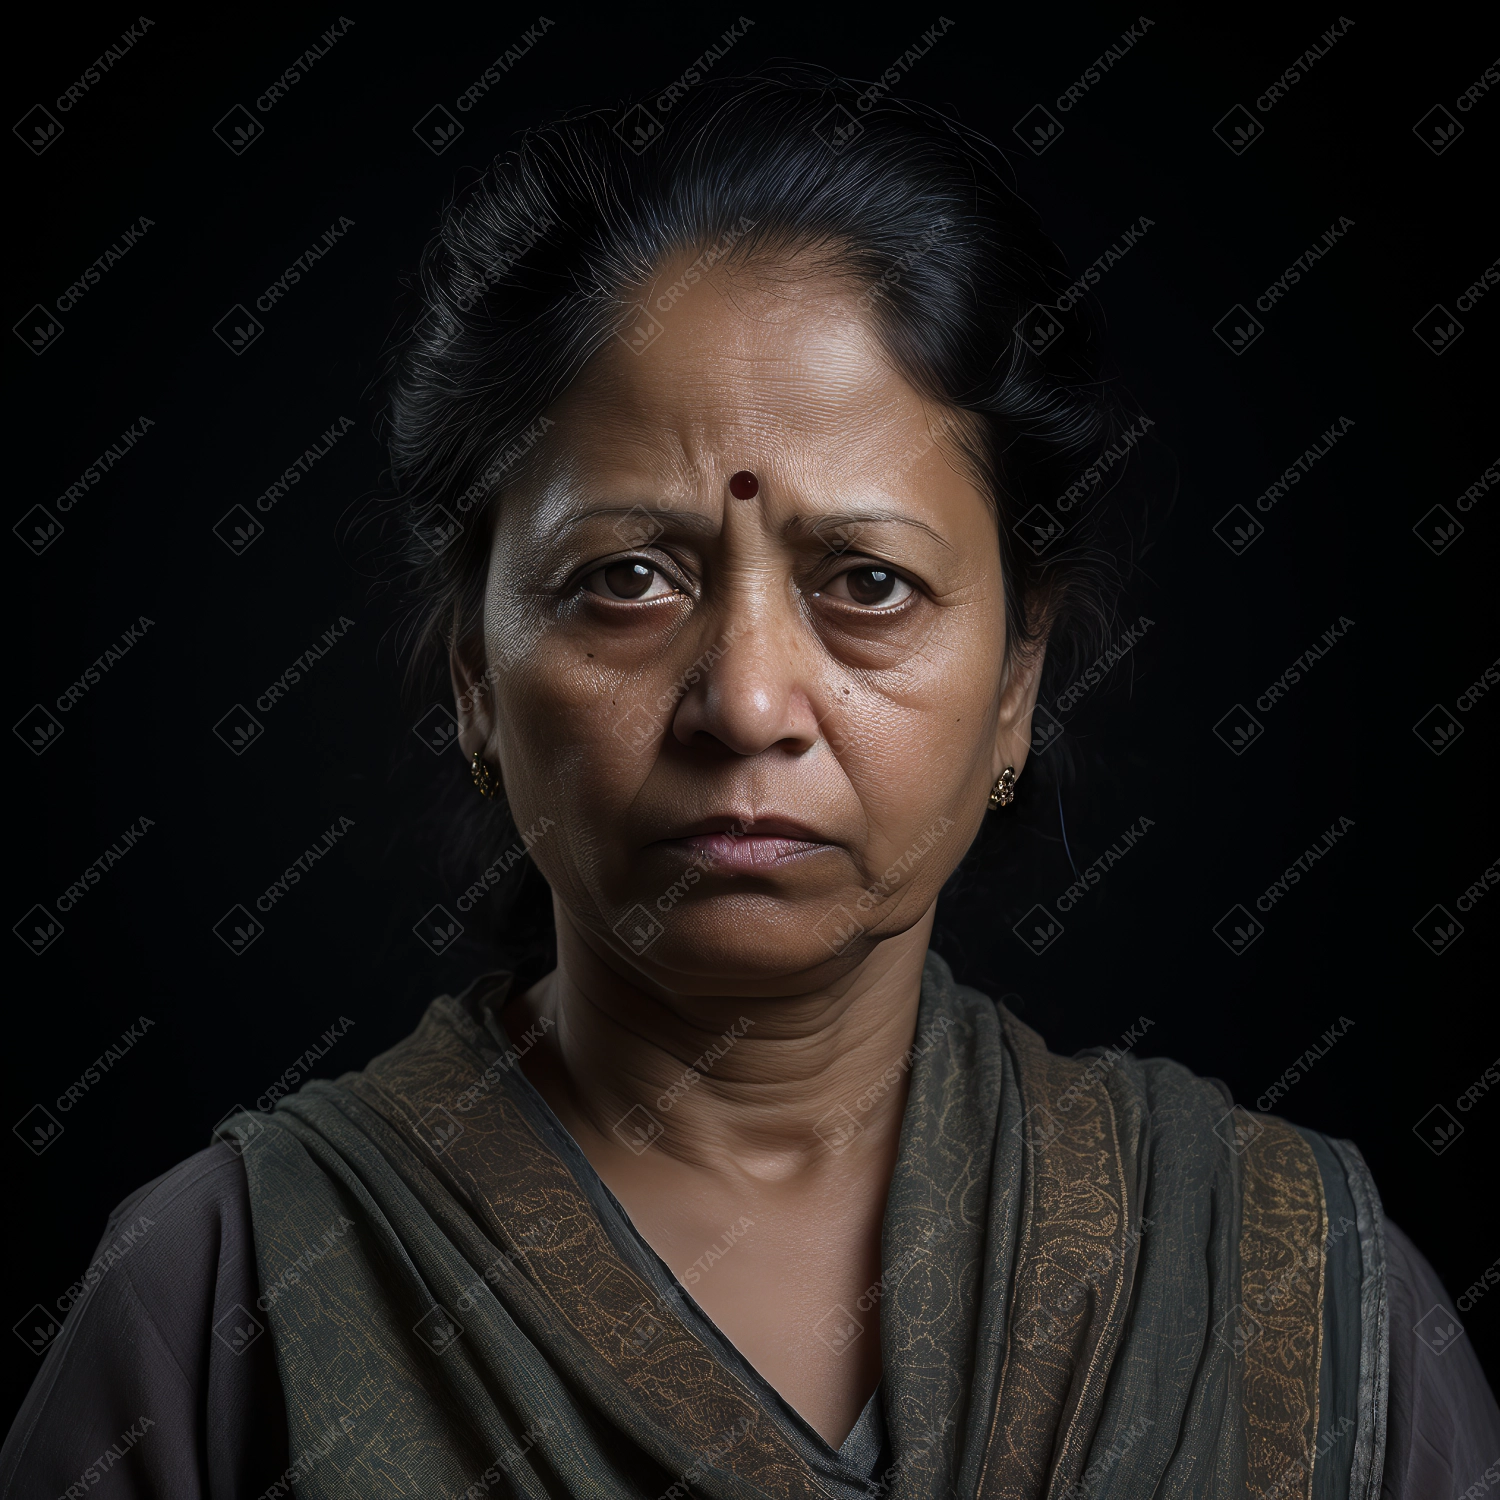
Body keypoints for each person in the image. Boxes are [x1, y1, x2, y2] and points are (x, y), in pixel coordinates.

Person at [4, 68, 1495, 1500]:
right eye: (628, 579)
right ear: (474, 671)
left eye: (869, 583)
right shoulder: (224, 1299)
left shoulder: (1297, 1288)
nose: (749, 702)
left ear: (1019, 679)